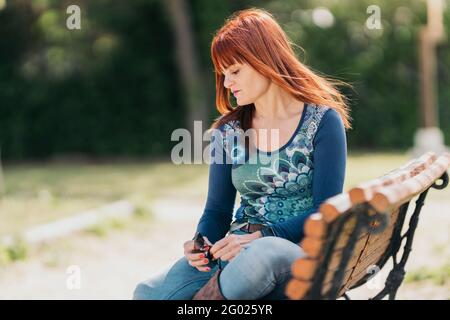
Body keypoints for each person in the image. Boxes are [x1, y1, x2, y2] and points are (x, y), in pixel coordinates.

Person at [133, 7, 350, 300]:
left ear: (265, 60)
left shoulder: (322, 122)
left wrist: (260, 237)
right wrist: (202, 242)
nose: (226, 83)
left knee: (260, 255)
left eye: (235, 71)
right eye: (223, 73)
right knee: (146, 293)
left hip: (296, 252)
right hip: (234, 250)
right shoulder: (228, 131)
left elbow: (325, 212)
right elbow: (217, 210)